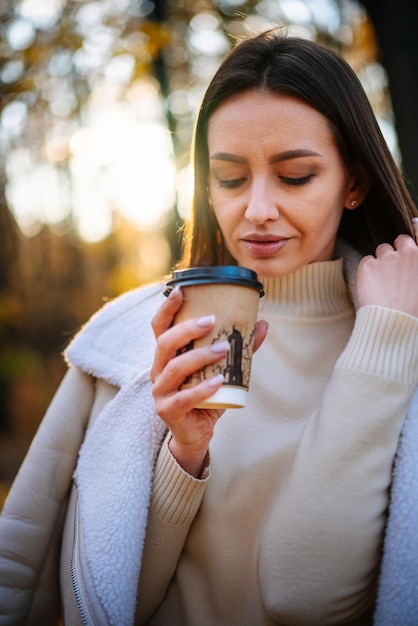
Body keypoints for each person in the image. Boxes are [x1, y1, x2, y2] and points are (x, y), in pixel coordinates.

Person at [1, 28, 418, 626]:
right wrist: (184, 457)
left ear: (353, 182)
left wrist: (386, 338)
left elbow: (302, 596)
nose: (257, 209)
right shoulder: (123, 340)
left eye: (295, 176)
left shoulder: (401, 340)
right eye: (229, 178)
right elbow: (78, 588)